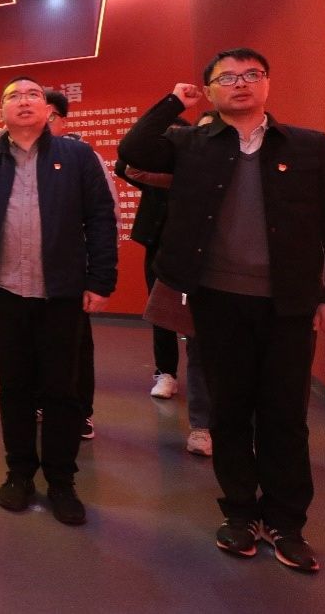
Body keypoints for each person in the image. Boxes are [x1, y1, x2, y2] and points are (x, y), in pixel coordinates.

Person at [118, 48, 325, 572]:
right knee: (228, 412)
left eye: (252, 74)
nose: (241, 83)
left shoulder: (309, 146)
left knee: (284, 416)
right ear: (209, 91)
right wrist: (172, 102)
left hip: (288, 305)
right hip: (216, 300)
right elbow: (133, 149)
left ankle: (286, 523)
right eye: (226, 78)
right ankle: (239, 513)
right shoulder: (192, 143)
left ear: (267, 83)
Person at [0, 76, 117, 526]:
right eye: (14, 96)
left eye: (33, 94)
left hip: (61, 292)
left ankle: (62, 481)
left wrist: (100, 280)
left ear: (49, 109)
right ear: (2, 112)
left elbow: (100, 217)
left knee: (61, 390)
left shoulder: (76, 155)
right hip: (5, 290)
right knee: (13, 388)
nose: (25, 101)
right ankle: (19, 473)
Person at [115, 119, 215, 457]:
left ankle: (209, 405)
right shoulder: (157, 168)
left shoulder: (210, 170)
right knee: (161, 312)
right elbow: (125, 164)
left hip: (202, 252)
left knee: (201, 329)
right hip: (160, 244)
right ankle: (166, 372)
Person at [45, 89, 121, 441]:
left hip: (71, 273)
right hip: (24, 277)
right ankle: (42, 402)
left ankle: (80, 412)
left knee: (74, 346)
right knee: (33, 345)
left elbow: (106, 215)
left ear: (62, 120)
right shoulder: (11, 158)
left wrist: (97, 275)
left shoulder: (83, 157)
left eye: (49, 115)